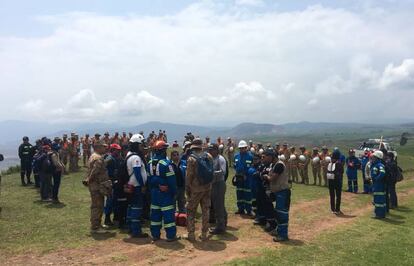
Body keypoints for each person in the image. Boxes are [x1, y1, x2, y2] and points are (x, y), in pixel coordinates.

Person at [148, 140, 178, 242]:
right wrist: (174, 192)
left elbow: (149, 180)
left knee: (155, 215)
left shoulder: (149, 163)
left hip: (154, 193)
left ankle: (155, 235)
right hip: (165, 194)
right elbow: (172, 181)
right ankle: (170, 236)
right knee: (168, 215)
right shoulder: (167, 164)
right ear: (163, 150)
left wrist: (156, 183)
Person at [185, 138, 213, 241]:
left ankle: (191, 234)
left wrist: (187, 189)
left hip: (195, 189)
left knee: (190, 210)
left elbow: (189, 176)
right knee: (206, 210)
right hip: (207, 187)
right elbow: (211, 172)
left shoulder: (191, 159)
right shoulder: (209, 156)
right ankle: (204, 233)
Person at [83, 140, 112, 232]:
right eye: (103, 147)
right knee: (97, 205)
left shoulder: (93, 156)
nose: (105, 148)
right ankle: (95, 227)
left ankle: (98, 224)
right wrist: (89, 179)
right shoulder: (98, 158)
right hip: (97, 185)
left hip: (95, 185)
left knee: (99, 204)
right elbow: (95, 171)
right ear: (98, 147)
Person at [125, 134, 149, 238]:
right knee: (137, 208)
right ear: (137, 145)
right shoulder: (135, 157)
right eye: (141, 145)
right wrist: (143, 184)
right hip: (137, 186)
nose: (142, 147)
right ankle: (136, 231)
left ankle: (131, 227)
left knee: (131, 207)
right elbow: (137, 172)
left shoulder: (129, 154)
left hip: (132, 185)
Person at [268, 155, 291, 242]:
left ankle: (283, 235)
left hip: (283, 192)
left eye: (267, 156)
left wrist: (267, 177)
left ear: (272, 156)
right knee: (278, 212)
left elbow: (273, 178)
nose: (265, 158)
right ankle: (279, 231)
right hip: (279, 192)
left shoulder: (279, 165)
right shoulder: (274, 164)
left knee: (282, 214)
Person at [255, 150, 277, 232]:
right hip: (260, 187)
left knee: (268, 206)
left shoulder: (271, 166)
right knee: (261, 204)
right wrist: (261, 174)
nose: (262, 158)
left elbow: (265, 175)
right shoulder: (262, 165)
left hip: (267, 188)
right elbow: (259, 172)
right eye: (262, 157)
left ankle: (272, 223)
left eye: (264, 157)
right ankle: (262, 219)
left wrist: (261, 175)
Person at [208, 144, 228, 235]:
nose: (210, 151)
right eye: (209, 149)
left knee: (218, 206)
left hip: (219, 184)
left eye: (211, 150)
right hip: (214, 184)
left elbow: (223, 171)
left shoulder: (221, 159)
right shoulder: (212, 158)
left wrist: (211, 173)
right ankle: (223, 223)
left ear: (216, 150)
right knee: (219, 204)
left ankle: (220, 227)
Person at [103, 144, 123, 227]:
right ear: (112, 150)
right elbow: (105, 171)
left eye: (119, 150)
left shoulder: (117, 158)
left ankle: (114, 219)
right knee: (110, 201)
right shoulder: (109, 159)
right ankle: (107, 219)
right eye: (116, 150)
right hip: (110, 183)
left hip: (115, 182)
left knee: (114, 201)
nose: (118, 151)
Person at [233, 140, 253, 216]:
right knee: (239, 193)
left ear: (246, 148)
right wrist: (236, 175)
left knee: (247, 193)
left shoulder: (250, 156)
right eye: (240, 148)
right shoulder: (236, 156)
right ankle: (240, 209)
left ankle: (249, 210)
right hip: (239, 178)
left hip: (247, 178)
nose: (242, 149)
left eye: (243, 148)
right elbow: (235, 166)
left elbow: (252, 167)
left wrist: (246, 175)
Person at [327, 150, 344, 215]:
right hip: (337, 181)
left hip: (330, 181)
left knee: (332, 195)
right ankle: (337, 209)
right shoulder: (339, 163)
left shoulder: (330, 163)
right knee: (338, 196)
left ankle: (332, 209)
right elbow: (342, 171)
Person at [370, 151, 386, 219]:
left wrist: (376, 179)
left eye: (373, 157)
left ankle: (379, 214)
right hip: (376, 184)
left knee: (379, 200)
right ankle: (378, 213)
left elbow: (382, 173)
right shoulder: (374, 164)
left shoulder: (380, 165)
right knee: (377, 199)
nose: (372, 158)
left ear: (377, 158)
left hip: (379, 185)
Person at [51, 138, 65, 203]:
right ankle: (54, 198)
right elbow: (56, 163)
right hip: (56, 171)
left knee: (56, 185)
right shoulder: (54, 154)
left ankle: (54, 197)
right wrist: (62, 167)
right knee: (56, 185)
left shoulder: (56, 153)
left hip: (57, 171)